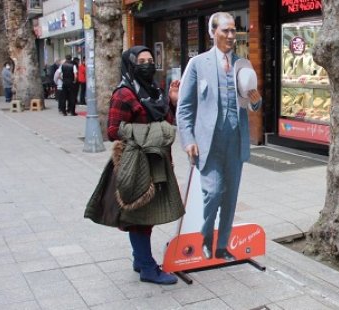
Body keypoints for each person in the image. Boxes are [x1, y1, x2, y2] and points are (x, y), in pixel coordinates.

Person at [85, 46, 184, 285]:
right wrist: (154, 132)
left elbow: (166, 122)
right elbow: (112, 131)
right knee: (139, 216)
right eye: (141, 61)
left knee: (145, 215)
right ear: (131, 64)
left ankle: (140, 260)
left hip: (157, 160)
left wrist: (171, 102)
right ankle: (148, 268)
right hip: (136, 162)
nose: (148, 64)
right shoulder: (124, 93)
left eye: (151, 60)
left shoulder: (154, 90)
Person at [177, 12, 262, 262]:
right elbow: (184, 107)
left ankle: (222, 245)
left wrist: (256, 102)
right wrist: (188, 139)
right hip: (208, 142)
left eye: (234, 31)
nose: (231, 36)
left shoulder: (242, 64)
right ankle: (205, 237)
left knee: (230, 195)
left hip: (235, 140)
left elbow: (251, 102)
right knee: (213, 192)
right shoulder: (198, 64)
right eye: (225, 30)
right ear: (212, 32)